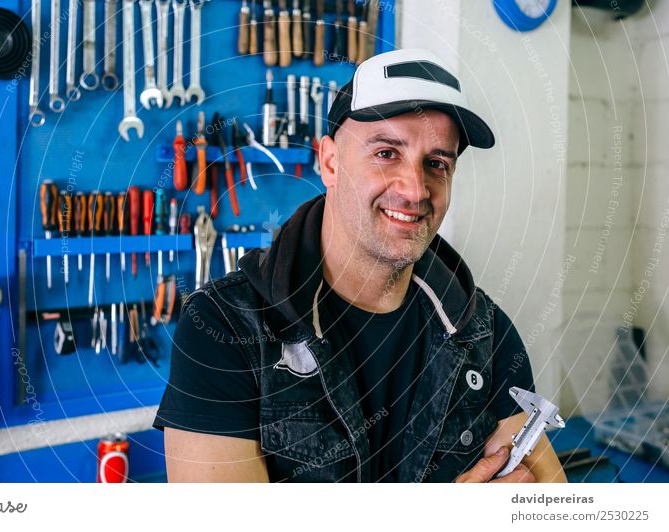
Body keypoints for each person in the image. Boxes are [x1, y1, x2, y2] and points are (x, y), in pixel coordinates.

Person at [153, 48, 567, 483]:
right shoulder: (226, 327)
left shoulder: (482, 331)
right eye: (386, 153)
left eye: (437, 164)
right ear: (329, 162)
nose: (414, 190)